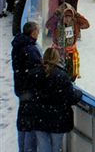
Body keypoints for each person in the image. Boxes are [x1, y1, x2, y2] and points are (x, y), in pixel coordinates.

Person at [30, 47, 83, 152]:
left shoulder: (34, 74)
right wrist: (79, 93)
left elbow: (30, 94)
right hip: (57, 120)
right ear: (57, 58)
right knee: (56, 147)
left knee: (43, 147)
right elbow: (70, 97)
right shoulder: (61, 76)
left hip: (39, 117)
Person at [12, 21, 41, 152]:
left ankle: (22, 147)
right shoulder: (29, 49)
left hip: (21, 88)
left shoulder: (19, 45)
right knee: (29, 122)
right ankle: (27, 148)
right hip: (29, 90)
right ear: (33, 32)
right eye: (37, 31)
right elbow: (35, 71)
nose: (39, 33)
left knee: (23, 120)